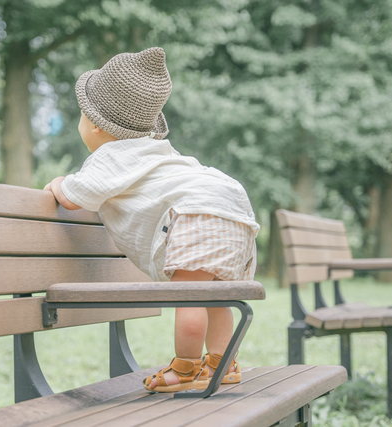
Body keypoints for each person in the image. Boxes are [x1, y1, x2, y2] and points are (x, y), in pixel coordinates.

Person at [44, 47, 260, 392]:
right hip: (232, 206)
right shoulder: (159, 151)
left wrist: (56, 183)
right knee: (216, 295)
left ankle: (186, 368)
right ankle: (223, 364)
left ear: (97, 126)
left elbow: (72, 197)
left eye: (81, 115)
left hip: (197, 212)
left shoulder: (112, 155)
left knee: (189, 295)